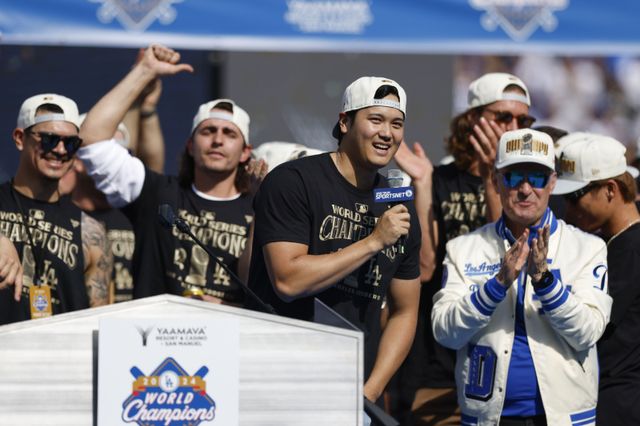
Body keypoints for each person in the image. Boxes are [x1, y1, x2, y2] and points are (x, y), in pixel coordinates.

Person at [247, 76, 421, 407]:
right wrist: (373, 241)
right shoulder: (293, 181)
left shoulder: (397, 205)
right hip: (275, 382)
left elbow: (405, 310)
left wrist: (370, 391)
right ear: (344, 122)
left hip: (352, 394)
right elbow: (288, 280)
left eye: (396, 124)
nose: (387, 133)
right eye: (375, 120)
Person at [431, 128, 612, 425]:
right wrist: (496, 286)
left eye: (537, 178)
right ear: (495, 181)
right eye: (514, 177)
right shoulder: (462, 248)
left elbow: (587, 332)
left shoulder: (588, 248)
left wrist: (546, 283)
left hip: (565, 418)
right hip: (487, 418)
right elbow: (445, 333)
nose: (526, 189)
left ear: (553, 183)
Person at [393, 72, 535, 424]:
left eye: (523, 121)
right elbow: (425, 267)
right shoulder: (440, 178)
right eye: (503, 117)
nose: (514, 128)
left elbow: (510, 252)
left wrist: (491, 177)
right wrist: (423, 185)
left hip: (505, 359)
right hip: (439, 363)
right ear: (472, 119)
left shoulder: (528, 188)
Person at [78, 45, 264, 305]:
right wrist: (144, 71)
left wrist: (226, 308)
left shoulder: (257, 209)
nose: (217, 140)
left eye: (229, 134)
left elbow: (265, 289)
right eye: (208, 131)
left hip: (234, 330)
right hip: (153, 330)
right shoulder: (157, 194)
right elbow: (91, 139)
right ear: (190, 145)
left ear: (245, 152)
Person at [0, 94, 112, 324]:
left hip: (63, 347)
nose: (60, 150)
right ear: (20, 138)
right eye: (49, 139)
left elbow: (99, 325)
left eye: (71, 143)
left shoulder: (91, 232)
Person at [552, 133, 640, 425]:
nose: (568, 209)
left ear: (610, 190)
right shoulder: (613, 244)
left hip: (619, 405)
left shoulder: (630, 249)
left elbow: (587, 329)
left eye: (575, 197)